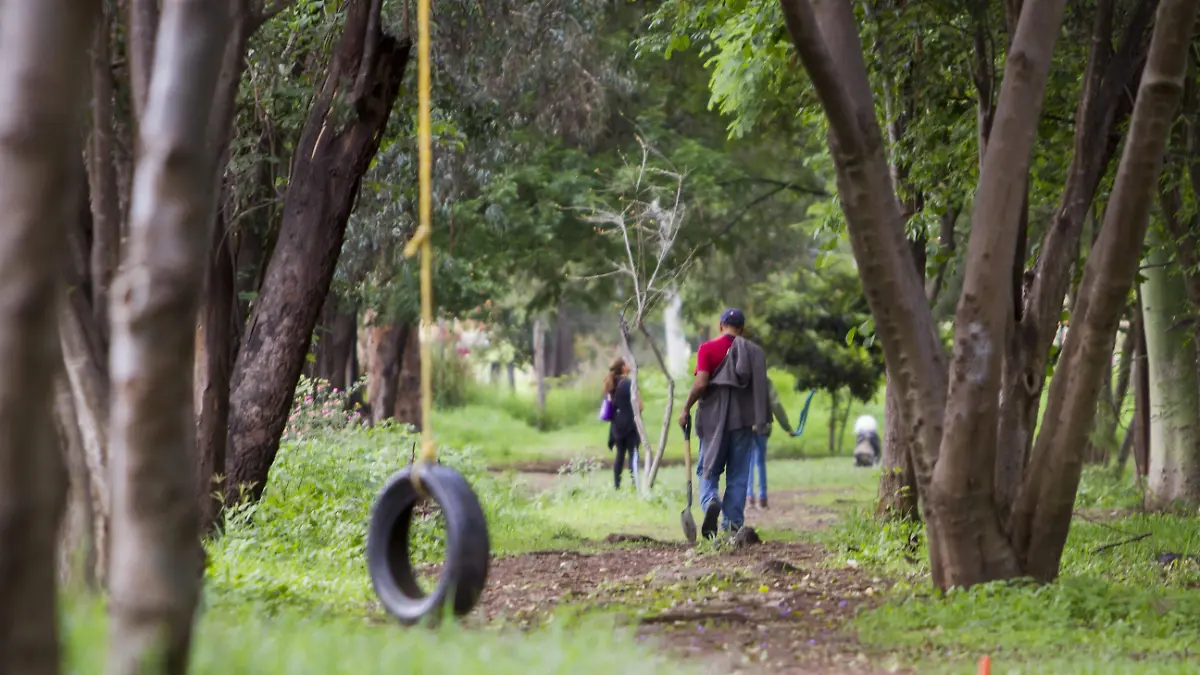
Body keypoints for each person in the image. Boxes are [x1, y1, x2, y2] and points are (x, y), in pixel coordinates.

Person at [678, 308, 770, 538]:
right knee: (738, 474)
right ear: (742, 329)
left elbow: (700, 384)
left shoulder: (707, 349)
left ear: (720, 326)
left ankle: (710, 501)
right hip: (742, 421)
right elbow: (760, 389)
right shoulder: (753, 353)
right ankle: (732, 526)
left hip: (712, 420)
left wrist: (686, 407)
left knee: (708, 467)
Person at [749, 380, 794, 510]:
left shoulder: (741, 377)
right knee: (760, 462)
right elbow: (776, 404)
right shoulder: (765, 381)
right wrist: (787, 427)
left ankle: (749, 497)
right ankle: (762, 498)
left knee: (749, 462)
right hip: (763, 426)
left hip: (745, 426)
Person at [604, 357, 642, 489]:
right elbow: (640, 406)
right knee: (633, 454)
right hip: (630, 425)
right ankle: (635, 484)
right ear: (623, 367)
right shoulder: (629, 384)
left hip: (616, 427)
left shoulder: (611, 384)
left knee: (620, 456)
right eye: (626, 363)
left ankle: (617, 486)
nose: (629, 365)